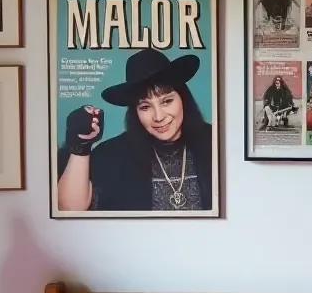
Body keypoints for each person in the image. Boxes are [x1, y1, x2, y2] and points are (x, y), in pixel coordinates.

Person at [56, 48, 213, 212]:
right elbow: (69, 208)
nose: (158, 116)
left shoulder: (216, 143)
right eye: (145, 107)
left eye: (166, 101)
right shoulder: (113, 154)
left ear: (183, 99)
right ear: (135, 111)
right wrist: (81, 146)